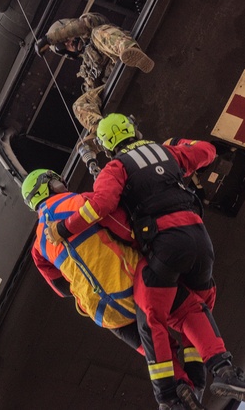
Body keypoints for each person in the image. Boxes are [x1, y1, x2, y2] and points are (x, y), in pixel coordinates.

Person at [44, 115, 245, 407]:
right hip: (200, 242)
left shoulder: (116, 168)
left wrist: (64, 228)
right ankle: (221, 372)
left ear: (108, 145)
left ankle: (169, 398)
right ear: (134, 129)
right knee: (194, 310)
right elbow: (207, 151)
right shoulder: (167, 151)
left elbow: (104, 207)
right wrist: (175, 142)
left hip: (166, 245)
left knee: (151, 320)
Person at [22, 169, 208, 409]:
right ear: (46, 187)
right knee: (191, 311)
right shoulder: (79, 202)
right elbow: (125, 228)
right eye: (56, 179)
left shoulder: (38, 247)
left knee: (156, 351)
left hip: (105, 314)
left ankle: (182, 389)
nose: (62, 182)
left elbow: (61, 289)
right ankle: (210, 372)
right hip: (134, 285)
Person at [35, 12, 154, 135]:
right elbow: (93, 93)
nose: (68, 43)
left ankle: (131, 52)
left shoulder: (92, 25)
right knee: (79, 105)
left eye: (66, 39)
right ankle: (102, 133)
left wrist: (49, 39)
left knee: (97, 32)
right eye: (63, 46)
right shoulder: (86, 69)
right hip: (117, 83)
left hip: (122, 59)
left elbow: (83, 25)